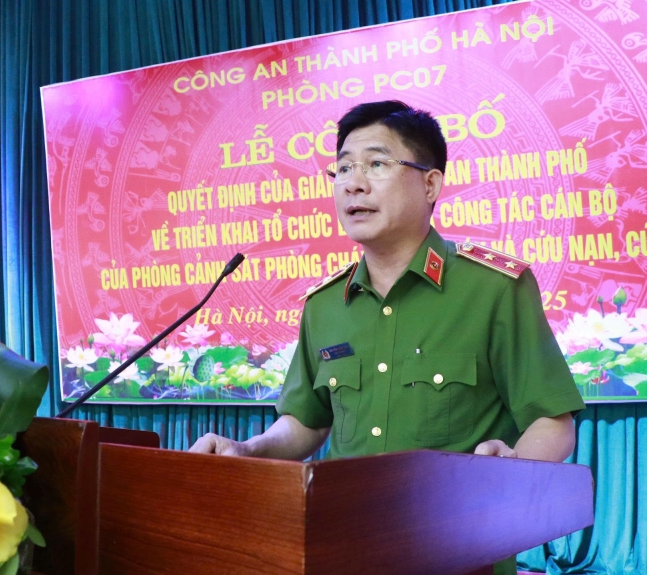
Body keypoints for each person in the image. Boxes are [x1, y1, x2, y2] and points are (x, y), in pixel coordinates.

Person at [190, 100, 586, 575]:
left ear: (430, 184)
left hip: (457, 554)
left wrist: (512, 465)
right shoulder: (324, 306)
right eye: (343, 169)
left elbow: (552, 421)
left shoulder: (493, 289)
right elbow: (306, 423)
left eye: (376, 164)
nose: (353, 183)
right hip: (341, 551)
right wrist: (247, 451)